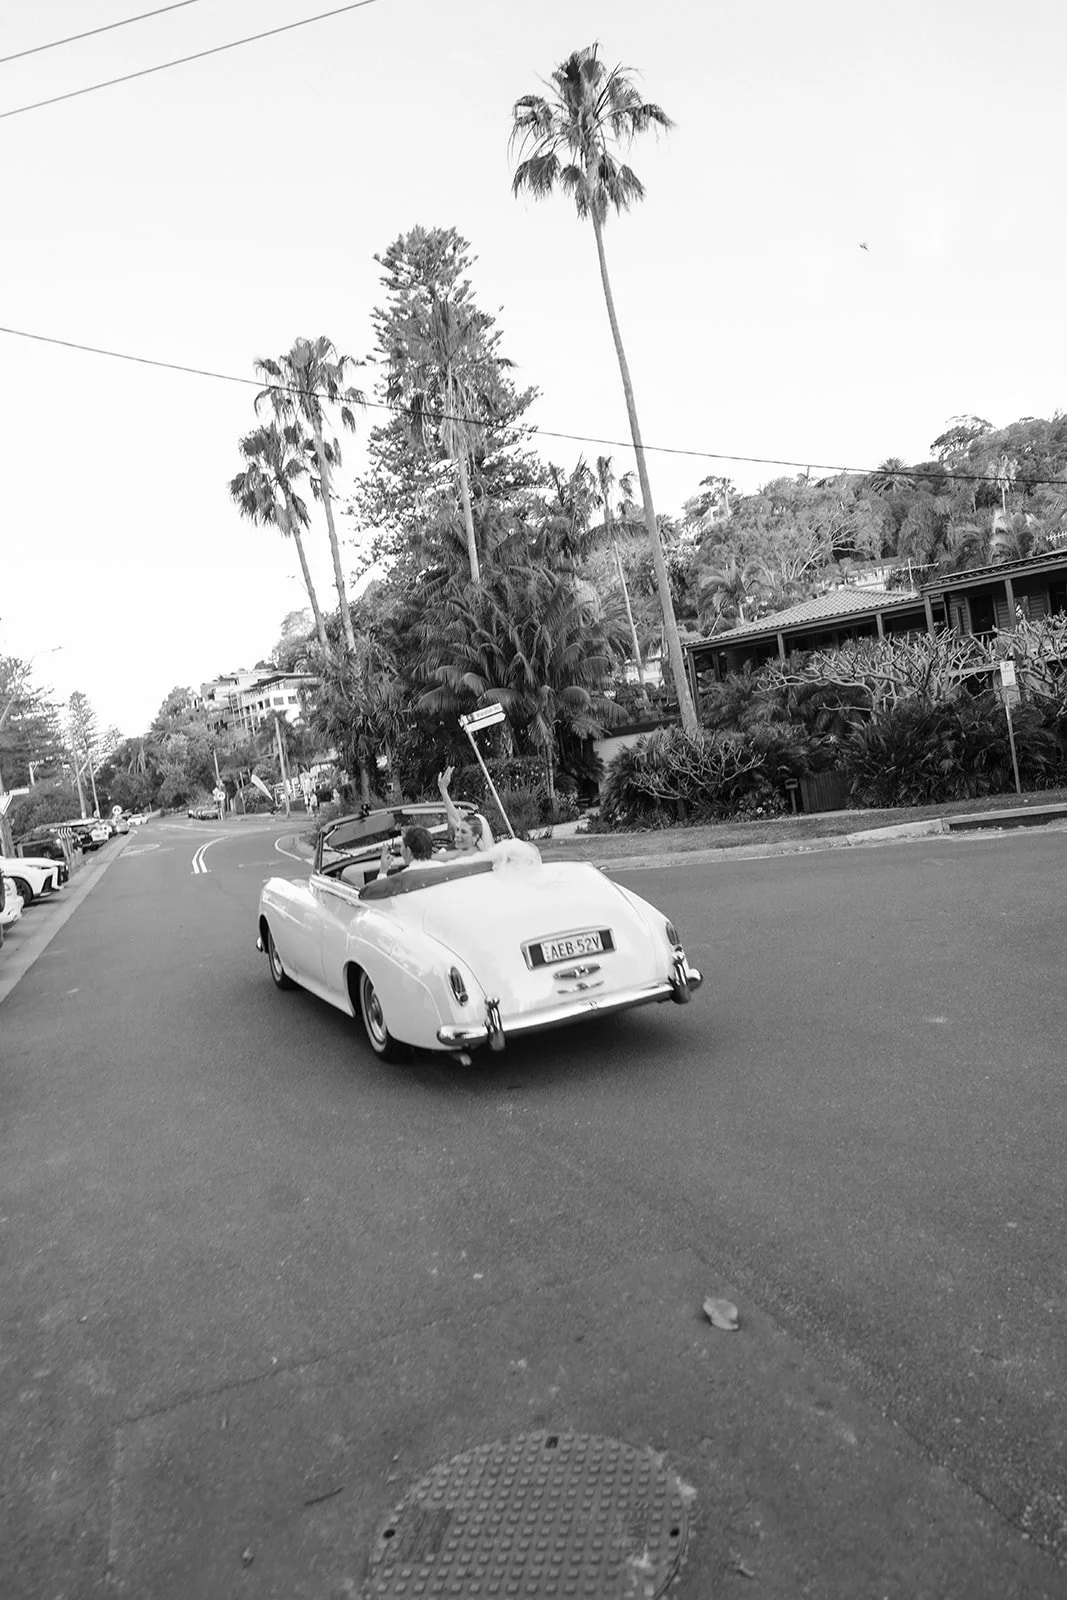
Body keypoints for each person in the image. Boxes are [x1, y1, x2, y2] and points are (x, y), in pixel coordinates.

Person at [435, 766, 494, 859]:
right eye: (457, 830)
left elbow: (455, 818)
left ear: (475, 837)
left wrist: (443, 791)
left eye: (463, 831)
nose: (458, 834)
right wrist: (443, 790)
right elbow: (452, 817)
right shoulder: (468, 846)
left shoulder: (476, 851)